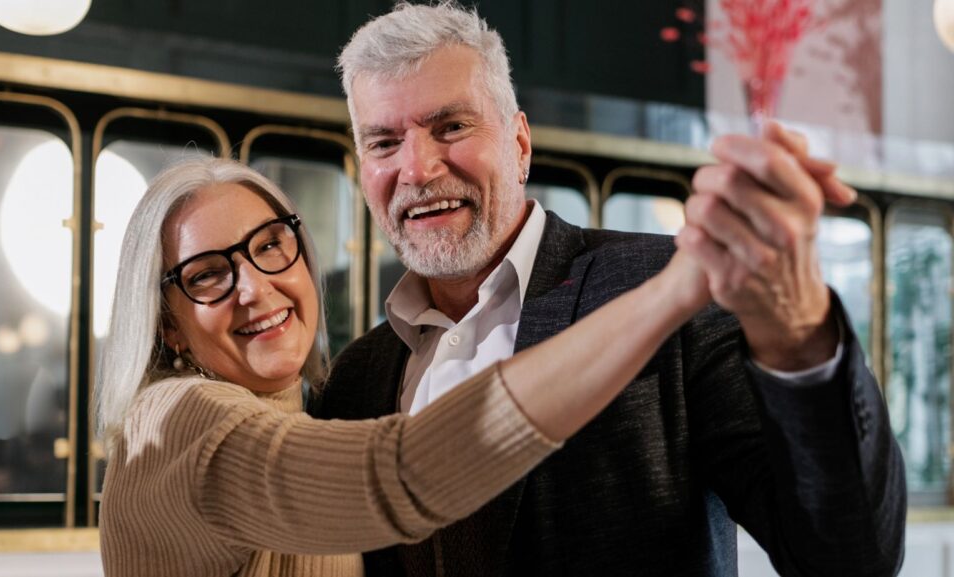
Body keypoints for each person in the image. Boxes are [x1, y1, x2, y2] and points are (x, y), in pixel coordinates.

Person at [313, 2, 906, 576]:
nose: (417, 169)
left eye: (451, 126)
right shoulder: (359, 376)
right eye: (384, 143)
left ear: (519, 144)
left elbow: (847, 557)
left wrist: (799, 331)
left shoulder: (669, 287)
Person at [96, 157, 711, 577]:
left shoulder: (333, 392)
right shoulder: (176, 421)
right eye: (208, 275)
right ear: (167, 323)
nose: (254, 288)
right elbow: (397, 473)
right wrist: (669, 296)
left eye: (269, 247)